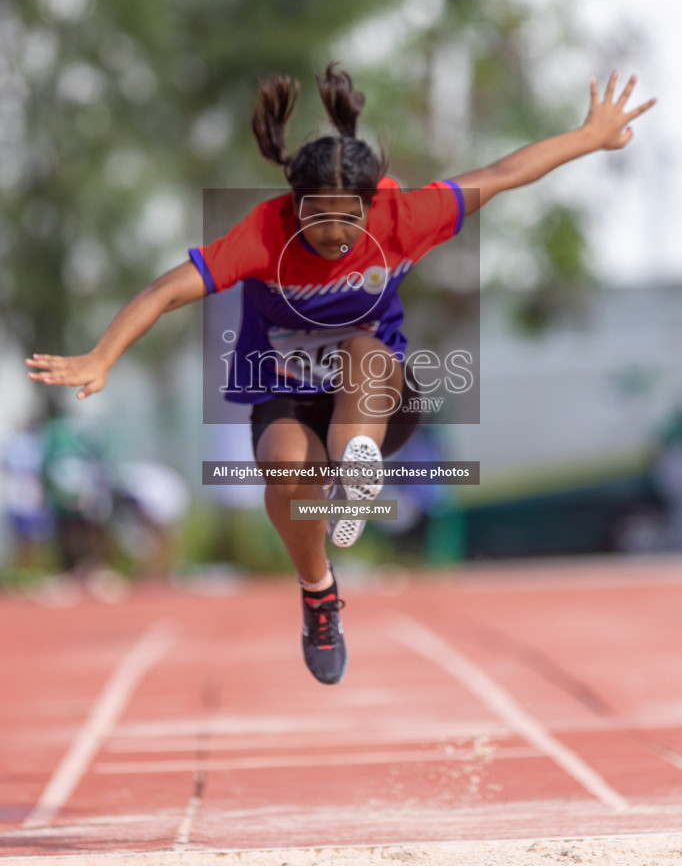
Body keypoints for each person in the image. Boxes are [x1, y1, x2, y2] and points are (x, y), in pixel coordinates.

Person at [27, 65, 655, 684]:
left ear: (371, 205)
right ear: (292, 206)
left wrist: (588, 136)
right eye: (316, 219)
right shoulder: (265, 233)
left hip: (378, 396)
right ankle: (319, 593)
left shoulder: (403, 216)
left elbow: (501, 174)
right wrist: (102, 356)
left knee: (360, 345)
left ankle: (358, 460)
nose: (331, 234)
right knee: (283, 469)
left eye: (346, 220)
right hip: (291, 397)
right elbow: (167, 289)